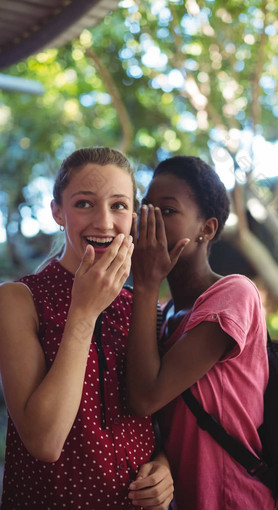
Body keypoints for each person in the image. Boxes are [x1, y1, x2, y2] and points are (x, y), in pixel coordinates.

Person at [0, 147, 174, 510]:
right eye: (84, 204)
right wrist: (83, 310)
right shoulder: (19, 300)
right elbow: (44, 441)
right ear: (57, 213)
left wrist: (163, 465)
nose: (104, 222)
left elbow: (155, 415)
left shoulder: (140, 305)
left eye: (119, 206)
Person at [126, 155, 278, 510]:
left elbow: (145, 398)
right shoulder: (165, 316)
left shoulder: (234, 294)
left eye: (167, 211)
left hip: (236, 499)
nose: (150, 222)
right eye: (146, 209)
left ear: (206, 229)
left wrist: (146, 283)